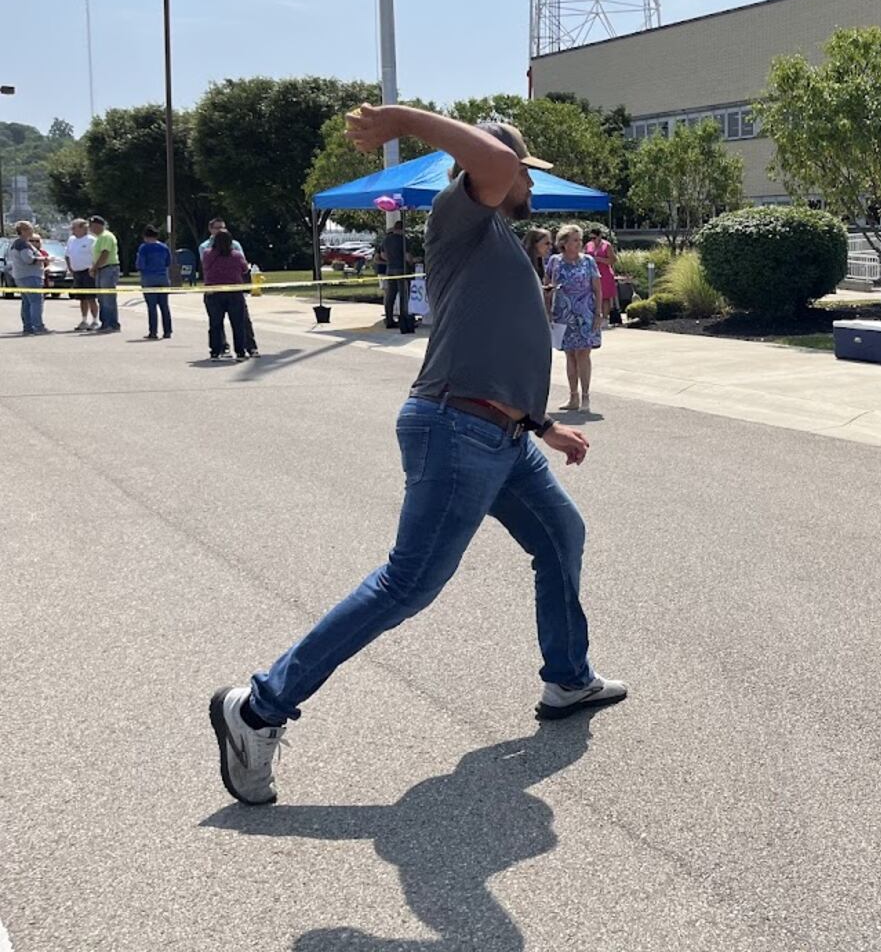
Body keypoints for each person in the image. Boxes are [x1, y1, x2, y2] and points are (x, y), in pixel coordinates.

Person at [209, 104, 621, 808]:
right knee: (408, 585)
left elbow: (490, 340)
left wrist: (544, 424)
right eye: (524, 172)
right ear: (498, 166)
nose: (531, 188)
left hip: (505, 436)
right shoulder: (460, 216)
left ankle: (567, 676)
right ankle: (258, 708)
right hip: (455, 432)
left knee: (561, 535)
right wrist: (401, 118)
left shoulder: (495, 235)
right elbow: (492, 165)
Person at [547, 224, 603, 410]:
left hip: (585, 313)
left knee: (584, 353)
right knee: (570, 355)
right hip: (563, 314)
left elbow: (597, 288)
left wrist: (598, 312)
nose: (579, 243)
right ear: (563, 243)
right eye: (575, 240)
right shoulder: (555, 261)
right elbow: (547, 288)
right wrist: (547, 312)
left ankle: (586, 396)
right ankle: (573, 397)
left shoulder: (588, 261)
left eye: (580, 240)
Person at [200, 219, 255, 354]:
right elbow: (244, 268)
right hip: (234, 292)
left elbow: (205, 267)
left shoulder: (207, 253)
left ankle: (215, 351)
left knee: (215, 324)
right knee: (238, 324)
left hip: (213, 292)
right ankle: (240, 351)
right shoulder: (236, 255)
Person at [7, 221, 50, 335]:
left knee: (27, 302)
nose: (32, 231)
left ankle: (28, 327)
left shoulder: (20, 243)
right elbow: (29, 260)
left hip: (22, 276)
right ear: (23, 230)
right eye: (30, 229)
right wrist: (45, 259)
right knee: (36, 302)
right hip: (29, 277)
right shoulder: (22, 244)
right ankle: (38, 326)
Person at [135, 226, 174, 340]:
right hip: (163, 278)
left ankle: (153, 332)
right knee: (164, 306)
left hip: (149, 279)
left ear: (145, 236)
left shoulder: (144, 248)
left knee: (152, 307)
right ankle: (167, 331)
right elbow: (168, 262)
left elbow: (140, 264)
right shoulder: (164, 247)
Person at [64, 217, 99, 331]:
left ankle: (95, 320)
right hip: (77, 272)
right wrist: (70, 268)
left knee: (91, 297)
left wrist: (94, 269)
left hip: (88, 272)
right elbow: (67, 255)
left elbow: (96, 256)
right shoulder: (71, 240)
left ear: (83, 228)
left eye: (74, 228)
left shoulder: (91, 240)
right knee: (82, 298)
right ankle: (84, 320)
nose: (72, 230)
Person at [88, 216, 120, 332]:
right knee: (101, 298)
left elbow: (105, 254)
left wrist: (94, 268)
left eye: (92, 226)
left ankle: (112, 324)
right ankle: (105, 323)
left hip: (108, 268)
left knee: (108, 298)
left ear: (98, 225)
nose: (91, 229)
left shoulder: (106, 236)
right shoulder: (98, 238)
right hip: (101, 269)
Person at [585, 227, 620, 326]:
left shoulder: (606, 245)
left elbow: (613, 260)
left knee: (605, 297)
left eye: (594, 237)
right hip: (592, 273)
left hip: (605, 273)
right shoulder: (588, 245)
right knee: (593, 295)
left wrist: (598, 259)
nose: (593, 240)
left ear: (600, 236)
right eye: (591, 238)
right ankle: (594, 315)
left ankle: (605, 318)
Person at [382, 219, 409, 329]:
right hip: (401, 269)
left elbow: (383, 254)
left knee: (390, 295)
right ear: (402, 229)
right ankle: (403, 318)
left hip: (390, 269)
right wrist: (413, 261)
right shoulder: (404, 240)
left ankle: (389, 319)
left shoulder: (386, 240)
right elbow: (407, 256)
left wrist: (390, 260)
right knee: (403, 295)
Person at [523, 226, 554, 317]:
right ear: (534, 243)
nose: (550, 247)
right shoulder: (523, 263)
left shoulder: (540, 262)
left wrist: (544, 289)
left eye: (551, 244)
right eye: (547, 243)